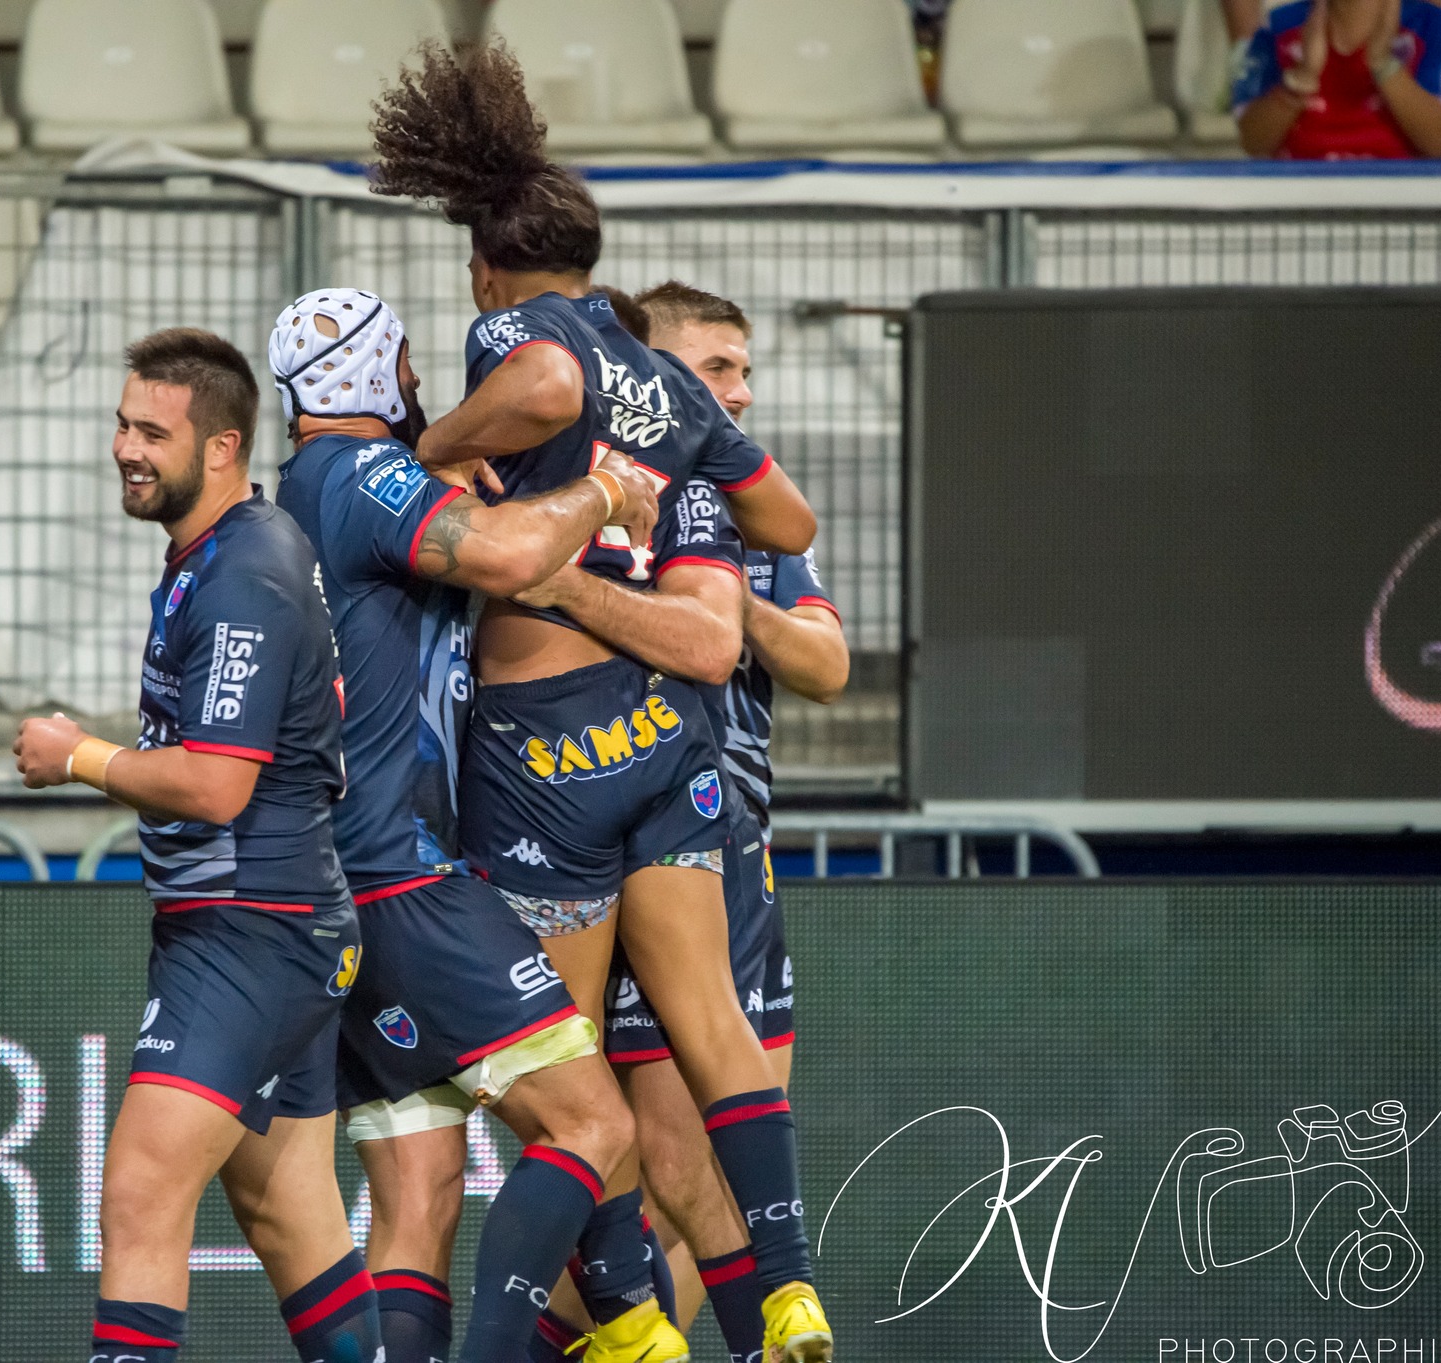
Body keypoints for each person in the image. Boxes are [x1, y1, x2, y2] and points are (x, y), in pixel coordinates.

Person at [370, 40, 828, 1363]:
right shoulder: (671, 386)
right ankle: (789, 1287)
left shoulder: (515, 331)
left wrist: (431, 449)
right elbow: (787, 519)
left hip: (548, 755)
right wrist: (676, 466)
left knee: (559, 1074)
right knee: (712, 1029)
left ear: (485, 268)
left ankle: (628, 1321)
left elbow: (542, 386)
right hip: (664, 743)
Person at [268, 286, 664, 1363]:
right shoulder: (360, 473)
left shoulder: (305, 487)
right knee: (593, 1123)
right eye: (403, 366)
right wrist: (604, 489)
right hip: (403, 874)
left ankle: (617, 1322)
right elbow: (503, 555)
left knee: (419, 1192)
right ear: (370, 372)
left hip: (336, 883)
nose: (417, 386)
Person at [12, 330, 379, 1363]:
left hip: (251, 932)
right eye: (122, 424)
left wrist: (76, 755)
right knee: (289, 1218)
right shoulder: (224, 551)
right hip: (271, 925)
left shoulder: (242, 576)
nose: (125, 448)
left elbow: (218, 784)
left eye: (152, 432)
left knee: (140, 1191)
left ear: (221, 448)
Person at [535, 283, 848, 1363]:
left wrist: (717, 593)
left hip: (735, 858)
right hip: (631, 848)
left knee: (691, 1175)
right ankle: (761, 1327)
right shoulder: (581, 491)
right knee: (662, 1164)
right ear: (650, 377)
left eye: (743, 370)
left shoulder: (746, 518)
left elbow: (825, 665)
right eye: (715, 370)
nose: (739, 393)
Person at [1234, 0, 1441, 158]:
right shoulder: (1278, 26)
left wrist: (1384, 66)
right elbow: (1253, 142)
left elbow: (1440, 143)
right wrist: (1301, 78)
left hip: (1401, 205)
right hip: (1301, 204)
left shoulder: (1432, 27)